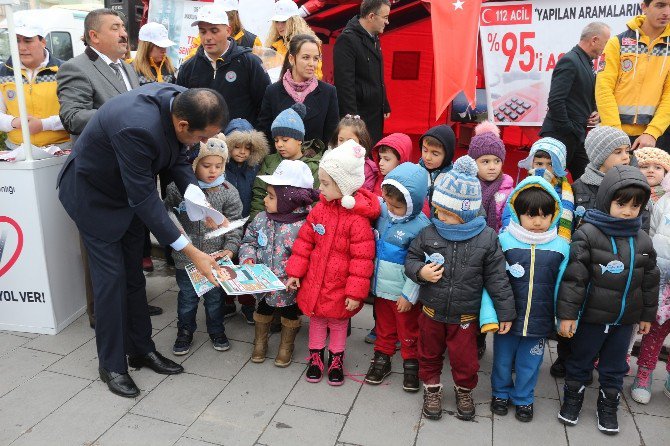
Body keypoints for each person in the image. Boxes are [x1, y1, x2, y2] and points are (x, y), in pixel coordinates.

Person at [57, 84, 230, 398]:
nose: (205, 143)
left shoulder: (183, 102)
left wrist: (199, 204)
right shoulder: (137, 127)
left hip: (128, 197)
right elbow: (145, 200)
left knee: (134, 278)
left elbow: (179, 158)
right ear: (182, 125)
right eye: (203, 136)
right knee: (111, 282)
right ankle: (111, 365)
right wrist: (191, 251)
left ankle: (140, 349)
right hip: (94, 197)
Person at [404, 156, 515, 422]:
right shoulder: (430, 233)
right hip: (431, 311)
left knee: (465, 360)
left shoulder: (486, 238)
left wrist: (506, 313)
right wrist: (420, 271)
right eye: (438, 210)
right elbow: (411, 258)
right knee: (428, 353)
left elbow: (497, 277)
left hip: (465, 316)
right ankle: (432, 387)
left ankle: (464, 389)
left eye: (447, 214)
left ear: (466, 213)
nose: (439, 217)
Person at [56, 8, 147, 328]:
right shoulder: (75, 68)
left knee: (131, 245)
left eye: (124, 26)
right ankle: (101, 314)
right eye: (116, 27)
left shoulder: (128, 68)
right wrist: (120, 116)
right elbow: (73, 116)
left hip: (129, 173)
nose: (125, 33)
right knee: (101, 249)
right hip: (98, 178)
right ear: (94, 36)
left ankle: (134, 302)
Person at [557, 165, 659, 435]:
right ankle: (573, 396)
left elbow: (650, 281)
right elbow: (574, 278)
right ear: (606, 199)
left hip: (624, 320)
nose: (628, 211)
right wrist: (567, 315)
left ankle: (609, 403)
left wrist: (647, 315)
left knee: (615, 366)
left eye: (635, 206)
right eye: (621, 203)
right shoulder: (587, 234)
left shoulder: (643, 240)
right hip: (591, 318)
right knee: (580, 360)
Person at [286, 140, 381, 385]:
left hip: (340, 286)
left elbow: (362, 261)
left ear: (344, 185)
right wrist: (295, 272)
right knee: (316, 319)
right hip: (316, 281)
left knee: (338, 323)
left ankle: (336, 358)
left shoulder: (358, 221)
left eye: (327, 184)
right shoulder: (319, 210)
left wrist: (355, 293)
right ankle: (316, 357)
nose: (321, 188)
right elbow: (304, 242)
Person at [550, 126, 633, 381]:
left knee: (597, 316)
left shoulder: (629, 185)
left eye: (626, 151)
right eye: (617, 152)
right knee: (574, 308)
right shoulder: (579, 188)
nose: (625, 157)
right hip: (582, 259)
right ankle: (566, 356)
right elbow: (566, 223)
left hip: (613, 262)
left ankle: (591, 357)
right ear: (599, 156)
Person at [490, 177, 570, 423]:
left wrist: (562, 317)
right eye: (530, 215)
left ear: (554, 214)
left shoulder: (561, 246)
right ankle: (500, 393)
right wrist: (494, 315)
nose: (538, 222)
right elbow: (494, 281)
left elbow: (564, 285)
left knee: (530, 364)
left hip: (539, 322)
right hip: (508, 319)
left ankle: (524, 398)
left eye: (544, 215)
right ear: (516, 212)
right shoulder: (504, 241)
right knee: (502, 361)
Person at [164, 134, 243, 355]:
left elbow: (234, 223)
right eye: (206, 165)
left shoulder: (228, 191)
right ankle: (185, 331)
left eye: (218, 166)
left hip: (216, 257)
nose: (213, 171)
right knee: (187, 298)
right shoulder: (176, 189)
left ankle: (216, 330)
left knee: (215, 299)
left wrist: (231, 247)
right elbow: (166, 214)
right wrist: (176, 236)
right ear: (193, 164)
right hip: (186, 258)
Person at [239, 160, 320, 366]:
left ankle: (286, 345)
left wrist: (300, 276)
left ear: (287, 200)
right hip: (263, 281)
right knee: (263, 309)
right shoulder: (261, 219)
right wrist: (248, 258)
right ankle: (260, 342)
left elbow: (311, 256)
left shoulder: (304, 225)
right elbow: (249, 240)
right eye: (266, 194)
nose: (265, 200)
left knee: (290, 312)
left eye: (271, 196)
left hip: (289, 285)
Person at [364, 162, 430, 392]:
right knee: (383, 326)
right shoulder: (382, 212)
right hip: (381, 289)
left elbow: (421, 264)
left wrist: (409, 295)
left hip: (403, 292)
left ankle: (412, 362)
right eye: (388, 201)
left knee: (408, 329)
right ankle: (382, 357)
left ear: (414, 203)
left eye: (397, 206)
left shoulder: (422, 227)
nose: (391, 207)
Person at [176, 4, 270, 126]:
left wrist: (256, 140)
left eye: (214, 31)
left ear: (228, 31)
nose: (208, 37)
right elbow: (180, 110)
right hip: (201, 143)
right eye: (202, 31)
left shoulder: (250, 63)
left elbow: (266, 106)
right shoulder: (188, 68)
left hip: (241, 142)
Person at [596, 0, 670, 150]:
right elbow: (604, 89)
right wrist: (614, 132)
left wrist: (652, 132)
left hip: (655, 137)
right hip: (614, 133)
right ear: (644, 7)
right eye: (660, 5)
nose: (667, 12)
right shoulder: (617, 43)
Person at [540, 22, 610, 179]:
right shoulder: (570, 60)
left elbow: (582, 95)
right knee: (549, 181)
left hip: (576, 134)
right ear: (594, 40)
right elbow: (555, 100)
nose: (604, 49)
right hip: (561, 134)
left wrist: (594, 110)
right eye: (605, 43)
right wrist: (567, 128)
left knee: (588, 178)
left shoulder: (585, 62)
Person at [256, 34, 338, 146]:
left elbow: (331, 138)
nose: (312, 64)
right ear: (291, 59)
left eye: (316, 58)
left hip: (316, 161)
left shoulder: (328, 92)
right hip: (280, 161)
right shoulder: (273, 92)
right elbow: (265, 136)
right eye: (306, 57)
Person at [0, 20, 69, 150]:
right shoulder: (2, 73)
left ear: (43, 42)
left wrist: (44, 124)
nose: (21, 47)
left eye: (27, 40)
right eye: (17, 41)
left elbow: (75, 114)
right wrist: (14, 122)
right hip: (17, 152)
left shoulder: (65, 70)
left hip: (62, 150)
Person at [250, 103, 323, 220]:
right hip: (267, 222)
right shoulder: (270, 161)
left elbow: (315, 201)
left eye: (285, 140)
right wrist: (255, 221)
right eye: (276, 140)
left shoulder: (313, 166)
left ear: (299, 139)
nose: (279, 144)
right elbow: (259, 193)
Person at [633, 180, 670, 404]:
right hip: (663, 276)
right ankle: (644, 373)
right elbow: (652, 231)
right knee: (656, 329)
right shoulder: (664, 201)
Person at [333, 0, 391, 144]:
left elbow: (376, 75)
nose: (387, 22)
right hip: (360, 118)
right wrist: (352, 122)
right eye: (385, 17)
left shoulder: (374, 37)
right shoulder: (347, 40)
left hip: (374, 115)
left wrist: (384, 102)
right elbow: (344, 85)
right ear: (371, 16)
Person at [513, 137, 575, 242]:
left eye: (550, 164)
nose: (544, 169)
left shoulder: (565, 194)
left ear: (559, 166)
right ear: (531, 164)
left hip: (554, 244)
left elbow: (570, 222)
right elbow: (511, 214)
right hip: (523, 240)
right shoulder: (522, 188)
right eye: (539, 164)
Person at [468, 121, 514, 233]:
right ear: (474, 162)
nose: (492, 167)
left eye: (497, 161)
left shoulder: (509, 191)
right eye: (485, 161)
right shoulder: (466, 187)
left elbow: (509, 223)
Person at [265, 0, 323, 79]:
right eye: (277, 21)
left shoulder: (309, 44)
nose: (279, 25)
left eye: (284, 21)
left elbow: (316, 75)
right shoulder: (273, 46)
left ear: (294, 21)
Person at [186, 0, 262, 58]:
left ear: (234, 17)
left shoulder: (252, 41)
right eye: (217, 17)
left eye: (226, 17)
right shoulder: (201, 39)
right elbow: (189, 64)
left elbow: (262, 70)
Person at [328, 114, 376, 192]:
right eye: (341, 140)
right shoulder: (331, 161)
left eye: (350, 141)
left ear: (361, 142)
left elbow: (365, 194)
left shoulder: (367, 168)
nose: (345, 144)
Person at [418, 124, 456, 216]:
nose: (427, 157)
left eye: (435, 154)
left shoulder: (453, 177)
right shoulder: (415, 171)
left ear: (447, 156)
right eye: (425, 150)